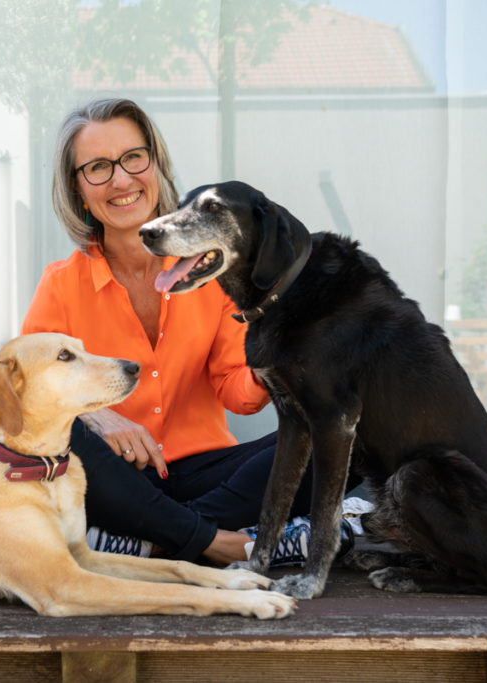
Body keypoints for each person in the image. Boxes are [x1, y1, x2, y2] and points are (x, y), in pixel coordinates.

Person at [21, 97, 356, 566]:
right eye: (97, 167)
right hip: (115, 478)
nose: (121, 179)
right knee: (67, 437)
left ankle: (149, 543)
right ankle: (234, 542)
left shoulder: (211, 271)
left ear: (155, 165)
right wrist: (97, 415)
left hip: (209, 475)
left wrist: (276, 356)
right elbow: (29, 400)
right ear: (78, 189)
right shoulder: (60, 285)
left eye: (133, 158)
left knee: (348, 434)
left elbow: (235, 392)